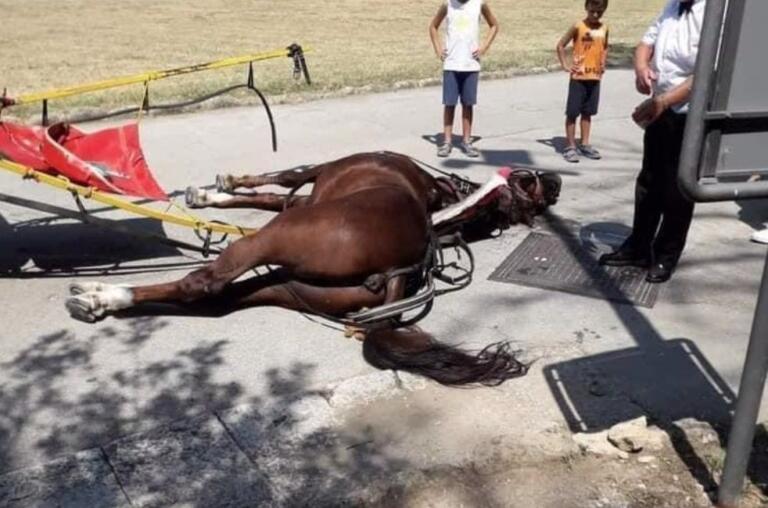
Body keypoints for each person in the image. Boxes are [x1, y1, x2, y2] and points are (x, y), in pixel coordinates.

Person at [599, 0, 705, 283]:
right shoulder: (672, 7)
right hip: (661, 108)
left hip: (689, 115)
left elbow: (707, 72)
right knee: (649, 181)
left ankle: (665, 256)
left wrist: (664, 101)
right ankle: (638, 247)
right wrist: (641, 67)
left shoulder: (713, 15)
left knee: (678, 188)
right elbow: (646, 42)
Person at [429, 0, 499, 158]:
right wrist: (438, 49)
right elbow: (433, 26)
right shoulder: (448, 4)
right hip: (452, 63)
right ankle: (447, 142)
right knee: (449, 104)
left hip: (470, 64)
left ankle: (466, 141)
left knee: (468, 104)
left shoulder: (479, 4)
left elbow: (494, 25)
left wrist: (483, 48)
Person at [556, 0, 610, 163]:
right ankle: (570, 145)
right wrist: (566, 65)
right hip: (578, 77)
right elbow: (560, 45)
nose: (595, 15)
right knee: (572, 112)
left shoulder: (604, 28)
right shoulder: (578, 26)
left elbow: (605, 46)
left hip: (594, 77)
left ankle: (585, 143)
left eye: (599, 12)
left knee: (588, 112)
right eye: (592, 11)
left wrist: (603, 61)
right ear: (586, 7)